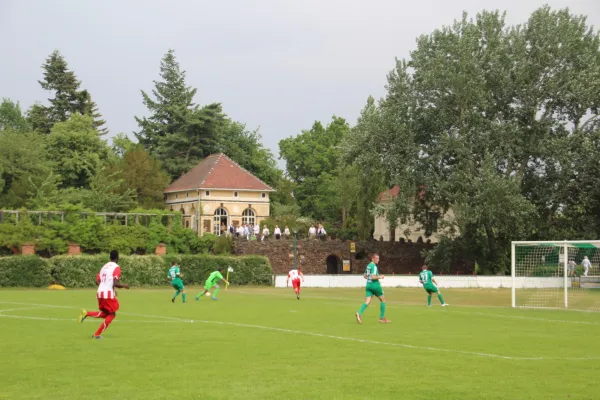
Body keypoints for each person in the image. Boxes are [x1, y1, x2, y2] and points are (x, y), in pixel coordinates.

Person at [78, 250, 129, 339]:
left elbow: (97, 280)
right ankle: (97, 334)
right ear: (117, 257)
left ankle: (86, 313)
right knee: (112, 314)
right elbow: (115, 283)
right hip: (107, 294)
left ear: (110, 257)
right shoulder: (116, 267)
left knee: (106, 314)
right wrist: (125, 286)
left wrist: (105, 287)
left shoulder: (104, 267)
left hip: (100, 293)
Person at [355, 253, 390, 324]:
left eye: (378, 258)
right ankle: (382, 318)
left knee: (367, 302)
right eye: (377, 258)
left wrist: (370, 279)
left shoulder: (368, 266)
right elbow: (373, 277)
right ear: (372, 259)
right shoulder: (373, 266)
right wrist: (380, 276)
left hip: (368, 285)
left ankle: (359, 313)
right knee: (383, 300)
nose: (378, 260)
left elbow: (365, 276)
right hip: (375, 286)